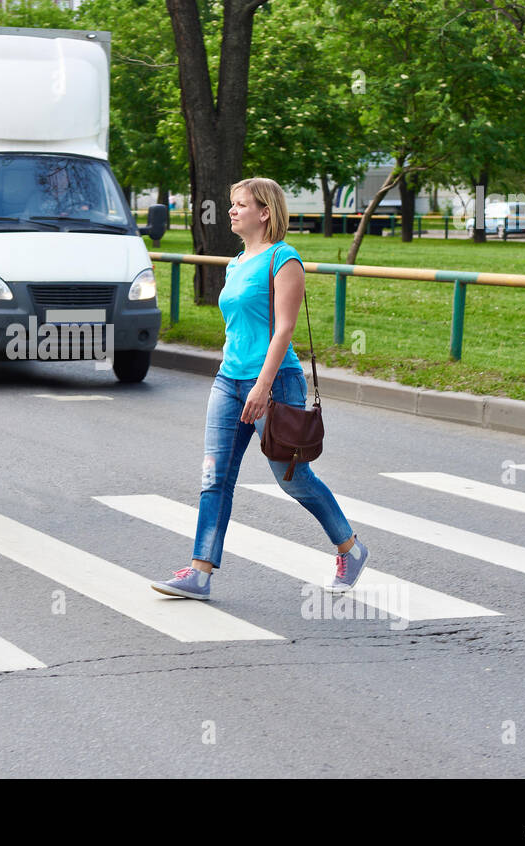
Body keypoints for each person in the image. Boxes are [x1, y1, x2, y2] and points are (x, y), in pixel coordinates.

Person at [151, 177, 370, 600]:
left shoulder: (284, 260)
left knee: (291, 478)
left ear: (264, 211)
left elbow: (285, 329)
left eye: (240, 205)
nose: (231, 211)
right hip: (228, 381)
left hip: (274, 382)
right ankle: (200, 572)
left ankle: (350, 547)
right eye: (231, 204)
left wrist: (262, 385)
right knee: (214, 477)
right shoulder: (236, 262)